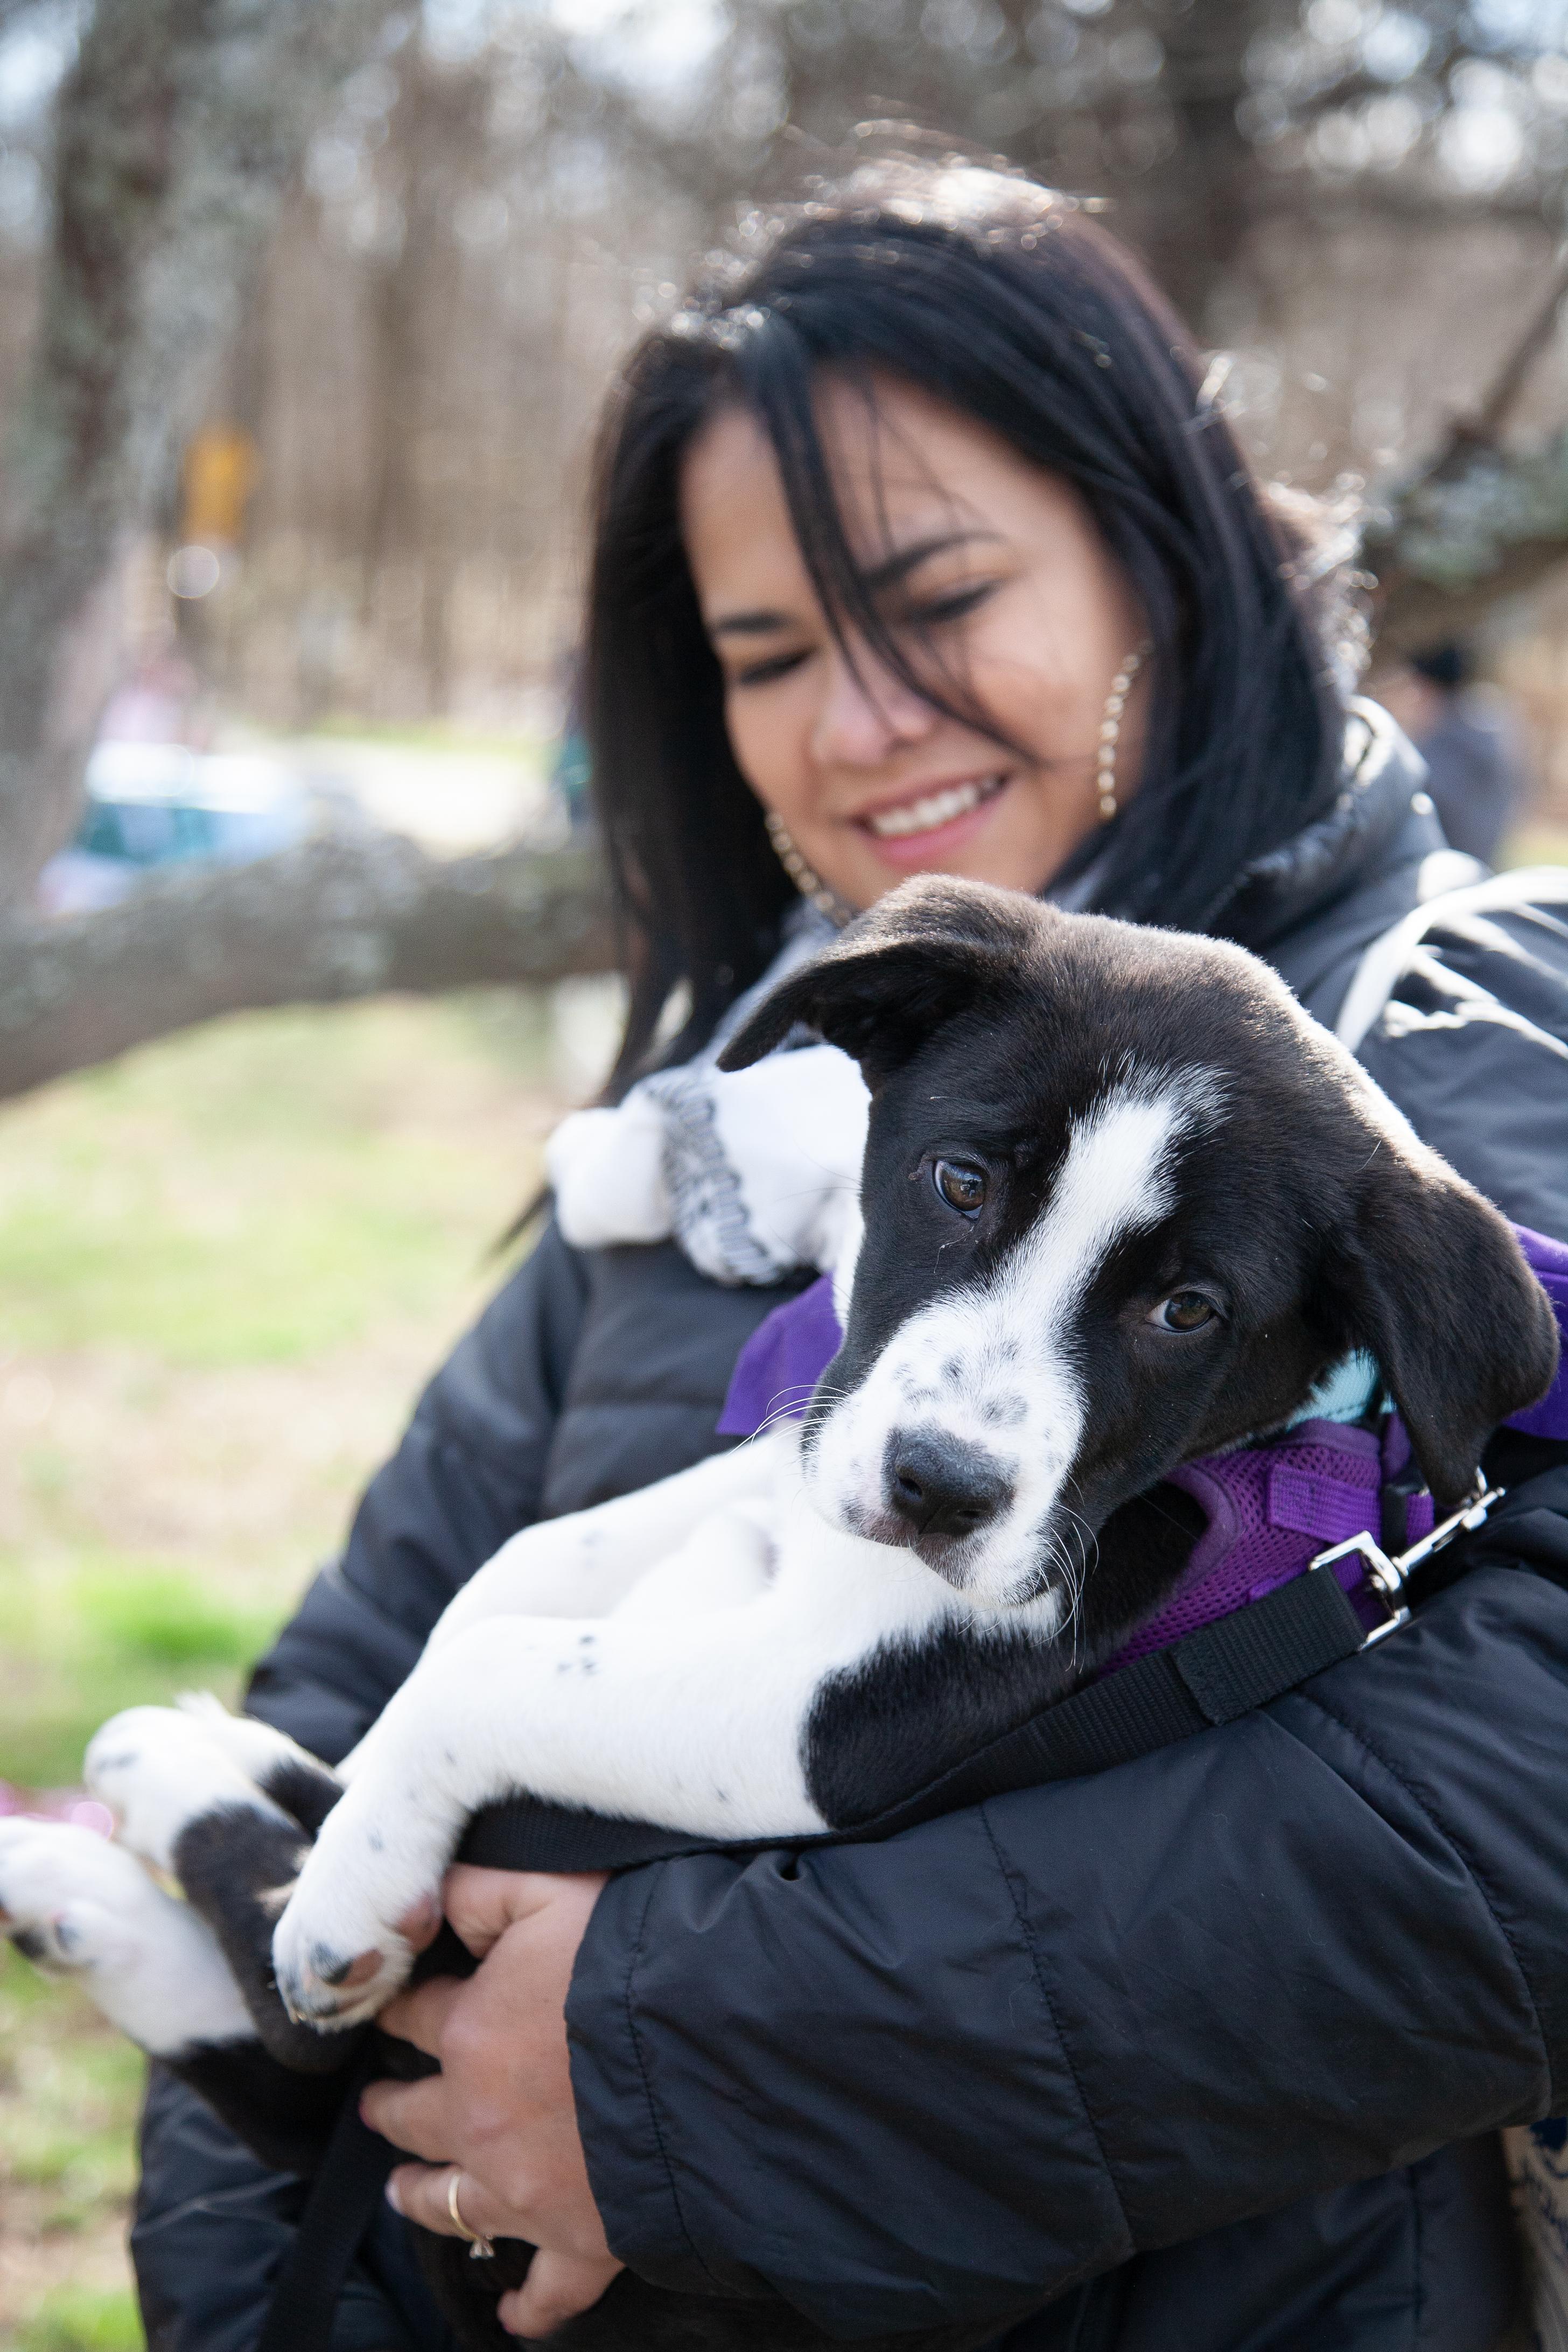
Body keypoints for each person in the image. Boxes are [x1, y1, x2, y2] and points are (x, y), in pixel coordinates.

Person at [131, 160, 1568, 2352]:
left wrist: (674, 2065)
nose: (854, 720)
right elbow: (350, 1691)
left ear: (1162, 558)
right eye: (766, 652)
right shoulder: (732, 1124)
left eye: (933, 598)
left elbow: (1508, 1827)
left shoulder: (1460, 1057)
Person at [1373, 642, 1528, 864]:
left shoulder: (1449, 742)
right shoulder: (1486, 726)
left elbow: (1415, 799)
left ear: (1427, 686)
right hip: (1484, 859)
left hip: (1449, 863)